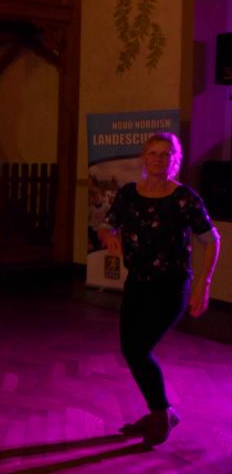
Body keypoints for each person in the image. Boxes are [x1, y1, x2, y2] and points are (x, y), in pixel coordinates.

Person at [99, 132, 220, 447]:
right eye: (153, 153)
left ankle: (161, 413)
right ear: (144, 158)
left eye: (166, 154)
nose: (158, 159)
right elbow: (107, 225)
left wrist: (203, 284)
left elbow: (211, 241)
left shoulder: (185, 198)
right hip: (137, 283)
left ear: (174, 160)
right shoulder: (128, 194)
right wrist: (108, 236)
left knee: (139, 350)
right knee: (131, 349)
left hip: (171, 287)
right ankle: (161, 412)